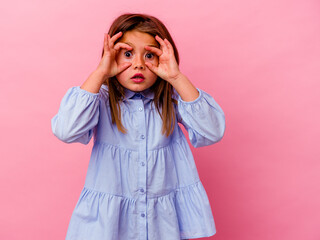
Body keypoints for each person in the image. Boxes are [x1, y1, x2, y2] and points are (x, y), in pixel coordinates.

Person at [51, 13, 225, 240]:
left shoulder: (172, 98)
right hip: (109, 226)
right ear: (110, 56)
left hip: (162, 225)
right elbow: (66, 130)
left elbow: (212, 132)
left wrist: (177, 77)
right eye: (128, 54)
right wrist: (100, 72)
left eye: (150, 55)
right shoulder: (100, 99)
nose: (138, 64)